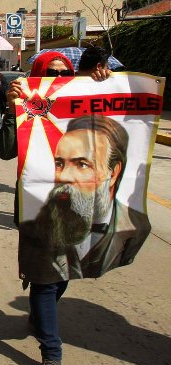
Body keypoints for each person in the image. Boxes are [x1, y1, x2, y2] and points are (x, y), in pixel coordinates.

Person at [0, 50, 110, 365]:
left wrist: (101, 84)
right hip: (37, 208)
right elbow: (4, 149)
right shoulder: (25, 100)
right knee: (46, 280)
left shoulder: (83, 101)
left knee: (61, 277)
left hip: (76, 206)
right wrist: (11, 109)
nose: (58, 78)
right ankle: (52, 354)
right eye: (51, 73)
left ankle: (39, 315)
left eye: (64, 73)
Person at [20, 115, 150, 282]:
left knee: (55, 287)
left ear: (113, 172)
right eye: (59, 164)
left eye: (82, 164)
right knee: (46, 286)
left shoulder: (134, 226)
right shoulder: (38, 222)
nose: (64, 176)